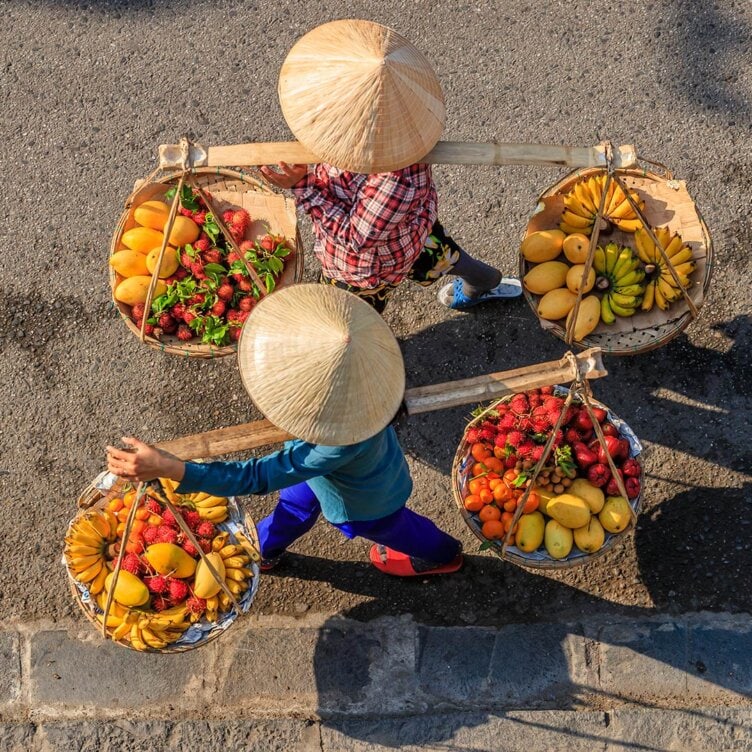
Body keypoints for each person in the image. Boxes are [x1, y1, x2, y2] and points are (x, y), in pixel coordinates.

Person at [106, 284, 463, 577]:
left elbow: (256, 476)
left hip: (366, 502)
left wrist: (171, 468)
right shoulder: (369, 393)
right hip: (339, 470)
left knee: (398, 529)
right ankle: (265, 549)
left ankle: (444, 555)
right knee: (294, 504)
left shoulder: (332, 446)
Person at [258, 19, 521, 314]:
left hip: (374, 263)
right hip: (414, 232)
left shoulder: (397, 181)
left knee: (351, 314)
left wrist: (303, 187)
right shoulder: (400, 135)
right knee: (445, 256)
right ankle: (485, 281)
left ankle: (483, 284)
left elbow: (354, 238)